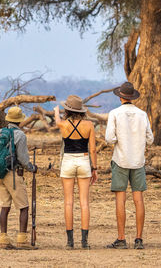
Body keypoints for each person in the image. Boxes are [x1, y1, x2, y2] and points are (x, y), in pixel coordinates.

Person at [105, 82, 154, 250]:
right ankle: (139, 239)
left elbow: (110, 139)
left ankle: (121, 238)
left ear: (120, 97)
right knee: (138, 200)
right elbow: (150, 139)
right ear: (132, 97)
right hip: (138, 161)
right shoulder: (142, 114)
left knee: (121, 199)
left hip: (121, 159)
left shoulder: (114, 114)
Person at [0, 106, 37, 249]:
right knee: (24, 206)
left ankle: (3, 239)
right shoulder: (20, 135)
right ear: (20, 121)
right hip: (13, 175)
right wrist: (32, 168)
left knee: (4, 206)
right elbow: (22, 158)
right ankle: (22, 240)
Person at [54, 95, 98, 249]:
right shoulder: (89, 125)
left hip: (68, 161)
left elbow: (57, 121)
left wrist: (56, 112)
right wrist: (95, 168)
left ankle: (70, 242)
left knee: (68, 202)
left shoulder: (63, 124)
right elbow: (92, 149)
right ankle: (84, 242)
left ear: (68, 110)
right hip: (84, 160)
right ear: (81, 110)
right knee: (84, 203)